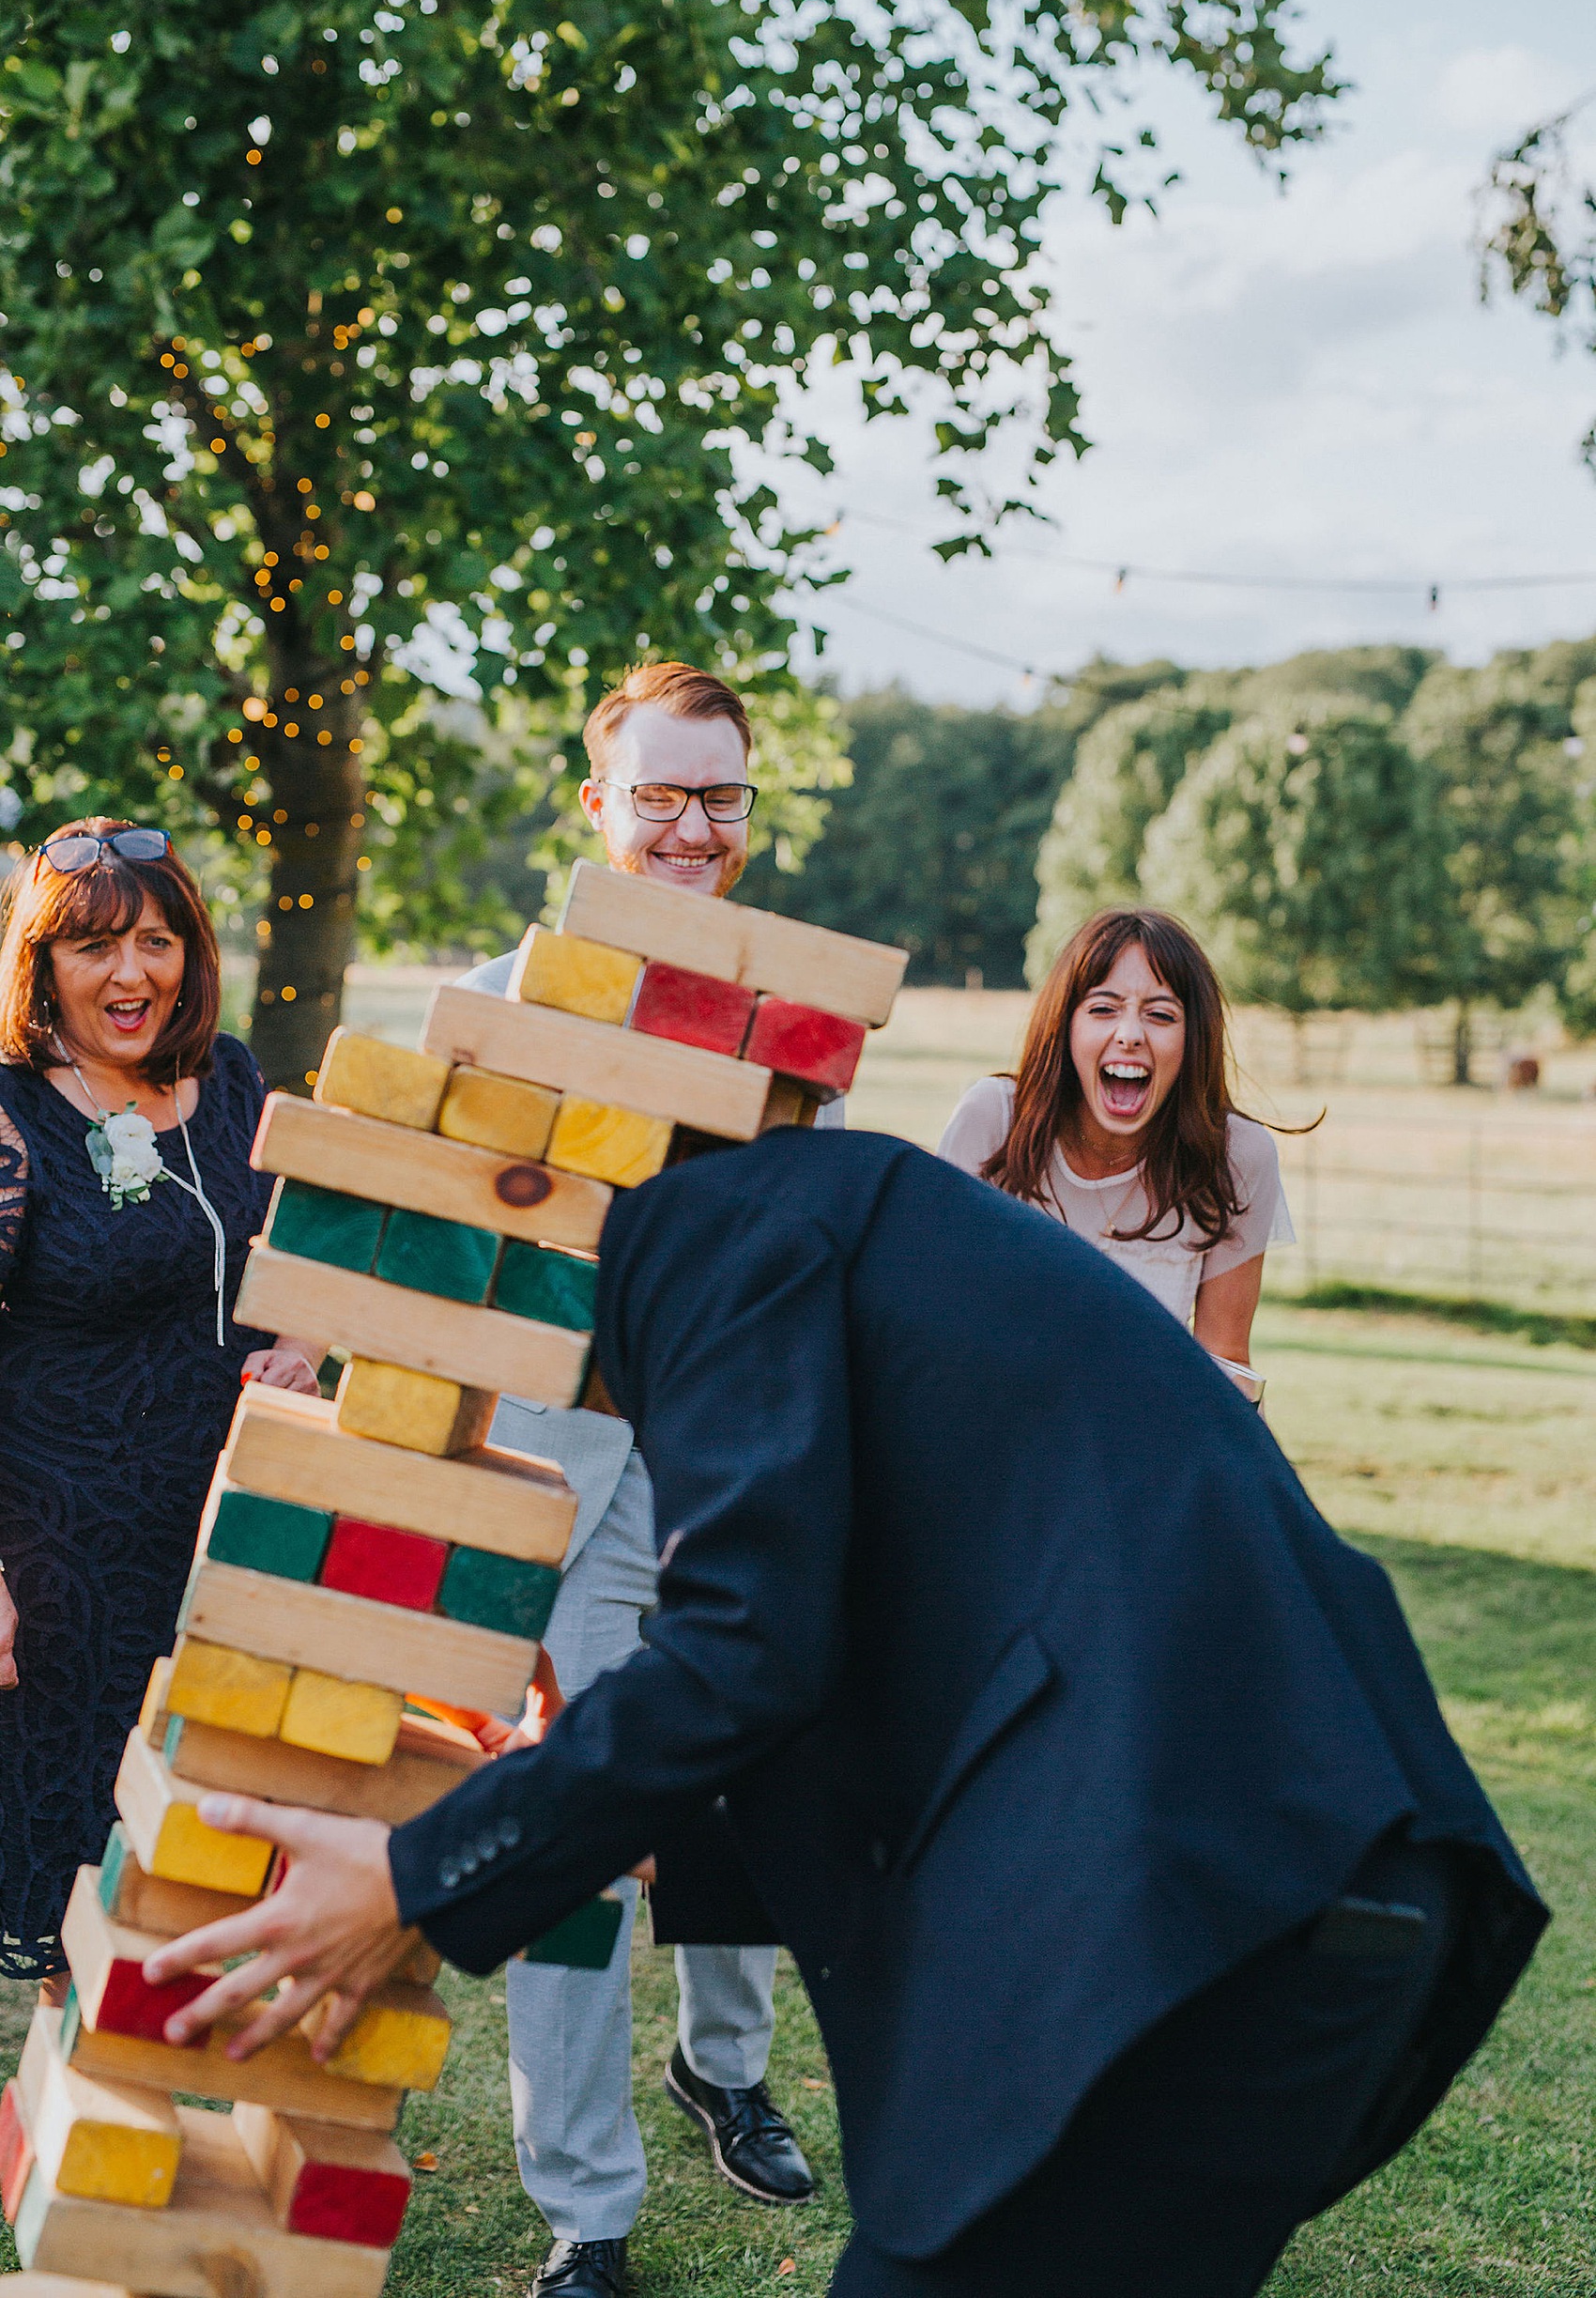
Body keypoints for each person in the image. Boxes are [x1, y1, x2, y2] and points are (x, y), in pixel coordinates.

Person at [146, 1128, 1546, 2297]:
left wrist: (416, 1876)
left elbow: (746, 1646)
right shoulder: (810, 1222)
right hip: (1283, 1907)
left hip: (1220, 1920)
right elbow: (865, 1661)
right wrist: (630, 1828)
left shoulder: (707, 1229)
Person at [453, 662, 822, 2298]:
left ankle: (725, 2068)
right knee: (588, 1825)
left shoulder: (794, 1026)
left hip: (739, 1472)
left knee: (748, 1790)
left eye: (719, 796)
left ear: (747, 820)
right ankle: (589, 2209)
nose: (691, 823)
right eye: (660, 793)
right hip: (566, 1476)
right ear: (596, 805)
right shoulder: (503, 1000)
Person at [0, 819, 319, 1982]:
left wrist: (301, 1340)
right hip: (57, 1562)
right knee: (60, 1893)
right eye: (91, 947)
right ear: (40, 962)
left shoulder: (229, 1076)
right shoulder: (12, 1117)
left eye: (153, 938)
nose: (130, 974)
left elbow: (296, 1247)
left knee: (177, 1886)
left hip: (214, 1543)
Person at [939, 906, 1296, 1398]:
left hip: (1140, 1448)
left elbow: (1225, 1360)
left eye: (1161, 1015)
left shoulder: (1238, 1157)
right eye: (1103, 1009)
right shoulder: (993, 1121)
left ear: (1193, 1039)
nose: (1129, 1034)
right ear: (1065, 1027)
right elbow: (937, 1318)